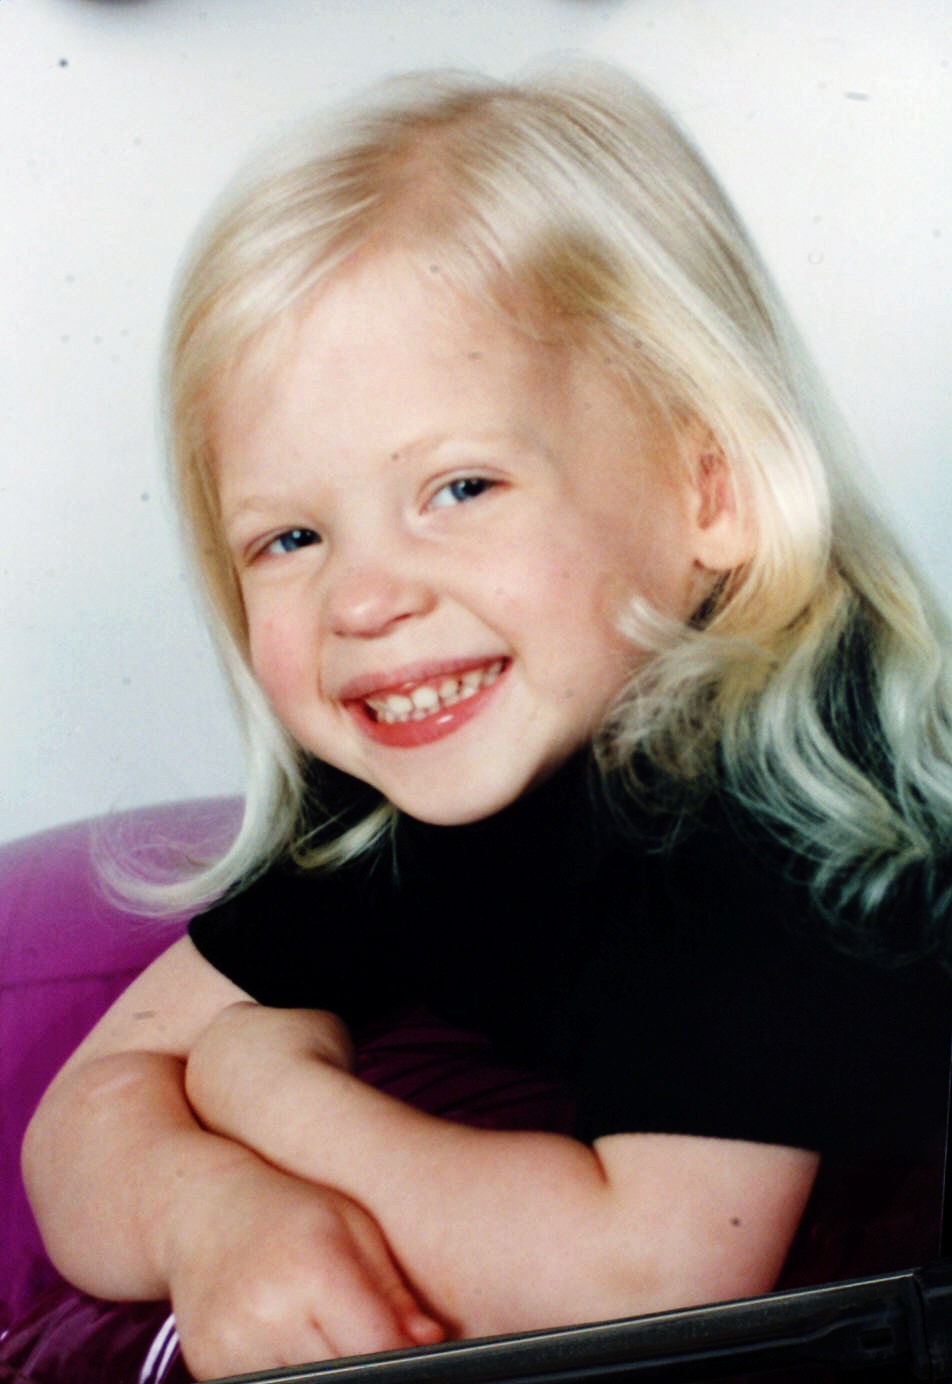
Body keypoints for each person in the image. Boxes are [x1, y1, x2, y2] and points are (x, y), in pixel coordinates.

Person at [20, 63, 952, 1383]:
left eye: (460, 487)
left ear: (714, 494)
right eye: (290, 537)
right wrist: (211, 1217)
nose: (364, 598)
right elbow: (83, 1112)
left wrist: (269, 1092)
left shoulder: (783, 795)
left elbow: (645, 1283)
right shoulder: (429, 748)